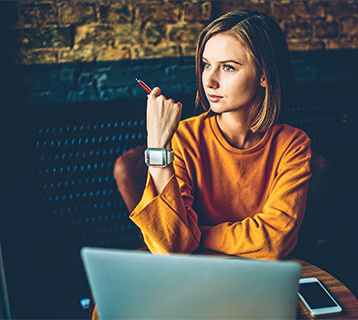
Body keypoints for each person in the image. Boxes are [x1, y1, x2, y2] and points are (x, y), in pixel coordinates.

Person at [130, 10, 312, 260]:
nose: (210, 81)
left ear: (264, 75)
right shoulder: (183, 137)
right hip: (193, 280)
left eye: (228, 67)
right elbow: (172, 247)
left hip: (261, 281)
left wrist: (195, 235)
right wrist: (158, 145)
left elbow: (275, 241)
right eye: (206, 65)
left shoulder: (293, 144)